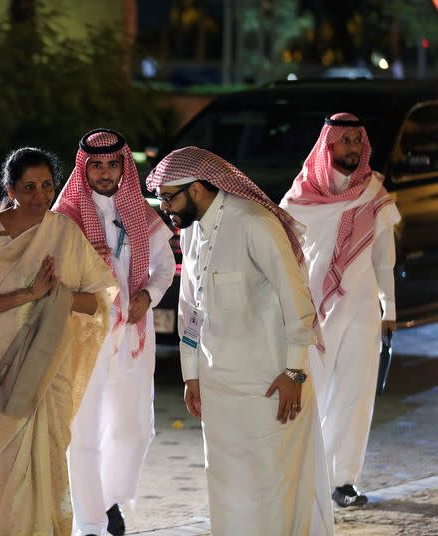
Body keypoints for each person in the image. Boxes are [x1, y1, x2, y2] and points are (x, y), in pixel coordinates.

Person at [147, 146, 333, 536]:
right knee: (228, 489)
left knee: (273, 489)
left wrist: (295, 373)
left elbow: (297, 300)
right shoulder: (194, 232)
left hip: (272, 385)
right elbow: (190, 310)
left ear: (197, 189)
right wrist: (191, 375)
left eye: (169, 197)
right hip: (220, 391)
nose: (164, 207)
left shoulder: (253, 222)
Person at [0, 147, 116, 536]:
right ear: (11, 188)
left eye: (46, 186)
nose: (40, 195)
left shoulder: (64, 232)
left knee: (47, 454)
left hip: (47, 362)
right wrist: (31, 293)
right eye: (29, 187)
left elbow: (97, 300)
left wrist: (56, 297)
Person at [54, 129, 175, 536]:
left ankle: (107, 501)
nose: (105, 173)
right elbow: (50, 275)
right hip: (84, 335)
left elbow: (163, 266)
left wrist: (149, 295)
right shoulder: (65, 216)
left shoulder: (141, 213)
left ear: (124, 165)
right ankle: (90, 523)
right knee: (84, 430)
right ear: (83, 168)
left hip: (134, 336)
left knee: (133, 427)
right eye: (96, 165)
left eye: (112, 164)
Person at [280, 113, 401, 507]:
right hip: (313, 307)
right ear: (328, 144)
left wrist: (390, 308)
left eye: (355, 140)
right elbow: (283, 256)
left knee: (356, 392)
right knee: (311, 388)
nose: (350, 146)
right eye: (343, 139)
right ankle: (303, 473)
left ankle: (342, 480)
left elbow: (385, 256)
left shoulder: (374, 191)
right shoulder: (300, 196)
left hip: (363, 305)